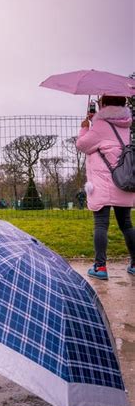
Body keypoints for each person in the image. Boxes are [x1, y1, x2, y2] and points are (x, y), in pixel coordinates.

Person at [76, 95, 135, 279]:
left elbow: (83, 145)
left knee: (101, 224)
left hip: (103, 183)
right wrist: (96, 121)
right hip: (123, 180)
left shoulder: (101, 126)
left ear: (103, 104)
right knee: (126, 223)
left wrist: (85, 128)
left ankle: (100, 267)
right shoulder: (125, 124)